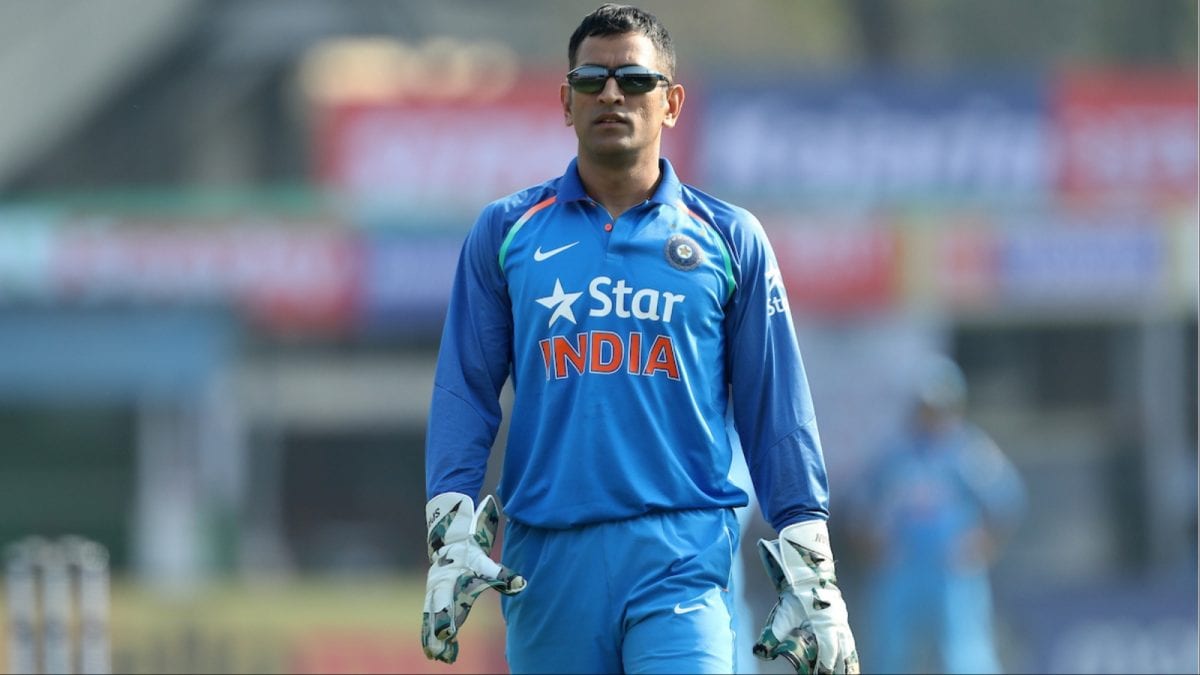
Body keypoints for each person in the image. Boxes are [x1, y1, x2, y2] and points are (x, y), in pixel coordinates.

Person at [420, 4, 858, 673]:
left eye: (634, 79)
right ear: (565, 101)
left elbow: (776, 408)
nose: (611, 94)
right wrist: (449, 519)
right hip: (547, 557)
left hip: (681, 550)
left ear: (671, 102)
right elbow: (463, 389)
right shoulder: (506, 232)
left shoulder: (730, 238)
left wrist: (809, 551)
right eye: (590, 79)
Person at [850, 355, 1026, 674]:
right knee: (891, 653)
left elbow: (1006, 501)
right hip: (900, 568)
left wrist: (982, 545)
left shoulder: (969, 451)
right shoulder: (895, 454)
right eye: (928, 407)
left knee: (965, 655)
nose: (934, 416)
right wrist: (872, 543)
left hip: (952, 570)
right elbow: (860, 505)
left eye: (943, 408)